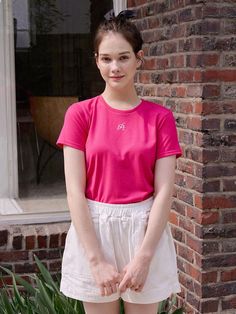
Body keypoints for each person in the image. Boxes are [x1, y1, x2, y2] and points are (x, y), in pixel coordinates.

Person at [57, 10, 182, 314]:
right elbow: (75, 192)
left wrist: (144, 257)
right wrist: (96, 260)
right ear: (96, 60)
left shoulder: (160, 118)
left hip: (144, 232)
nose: (115, 67)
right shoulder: (80, 115)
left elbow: (164, 192)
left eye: (124, 57)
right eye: (107, 58)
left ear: (139, 58)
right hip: (94, 233)